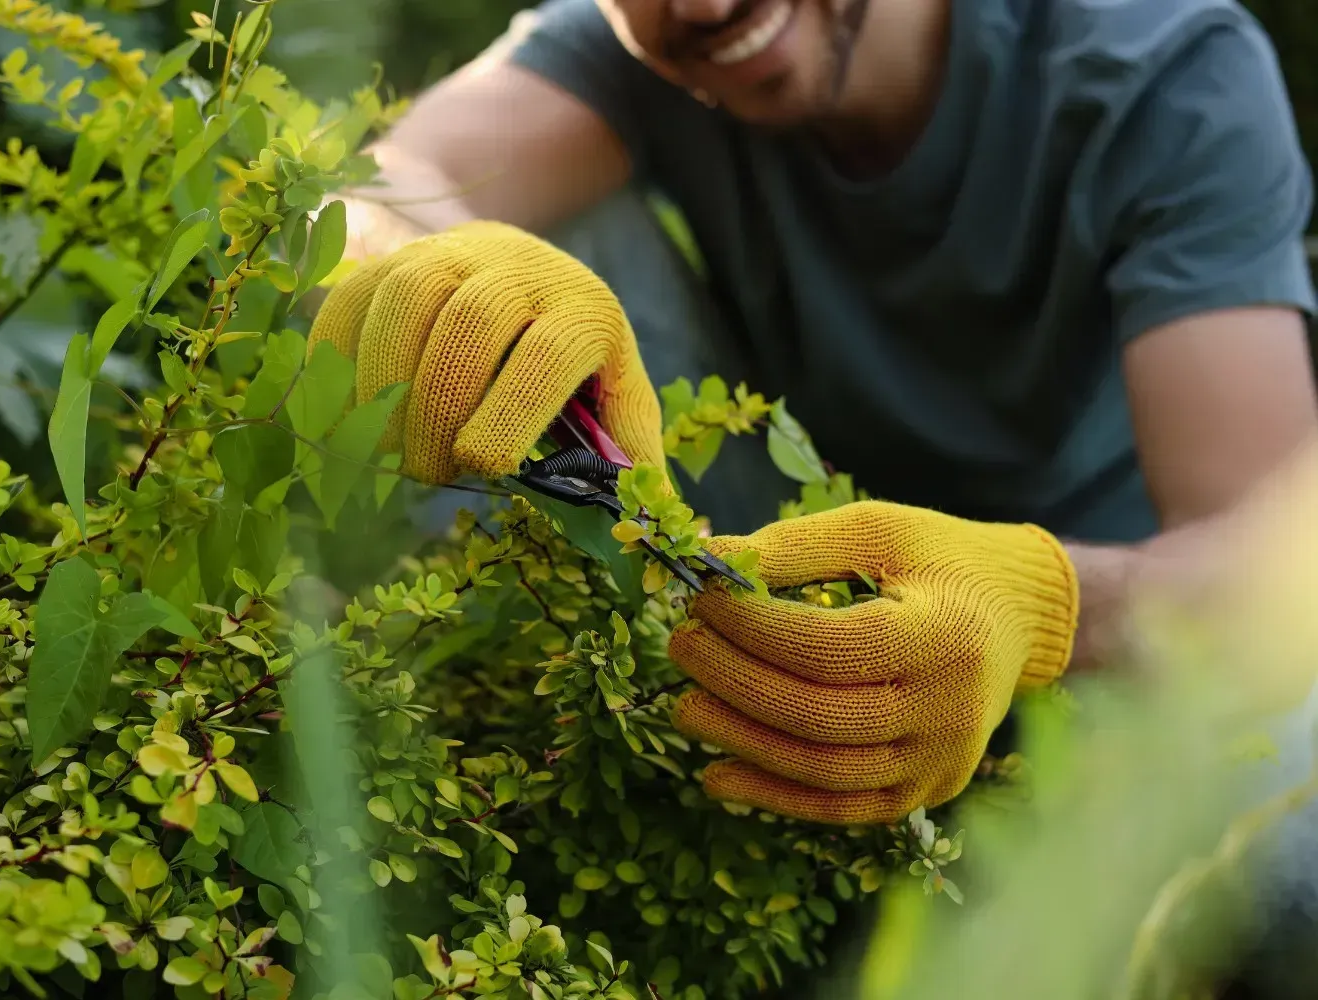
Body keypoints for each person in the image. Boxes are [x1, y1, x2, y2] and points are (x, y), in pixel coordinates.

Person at [307, 0, 1318, 828]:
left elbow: (1270, 569)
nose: (702, 7)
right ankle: (523, 758)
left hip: (1114, 656)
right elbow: (373, 188)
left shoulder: (1163, 72)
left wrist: (1044, 604)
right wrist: (429, 272)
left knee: (1292, 883)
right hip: (790, 575)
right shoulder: (619, 61)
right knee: (486, 250)